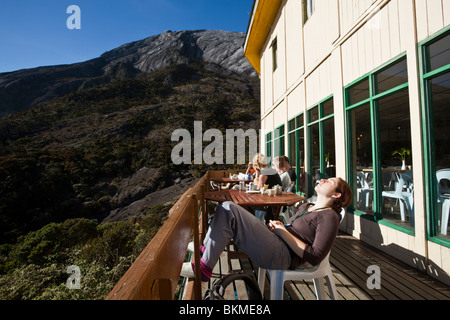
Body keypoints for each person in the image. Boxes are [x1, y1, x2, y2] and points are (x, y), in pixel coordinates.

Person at [181, 177, 353, 282]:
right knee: (225, 209)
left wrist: (283, 232)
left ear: (336, 195)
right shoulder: (307, 206)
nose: (322, 180)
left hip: (284, 255)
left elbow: (315, 256)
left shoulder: (329, 216)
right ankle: (206, 249)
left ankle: (204, 268)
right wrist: (278, 227)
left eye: (330, 181)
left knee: (228, 208)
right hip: (277, 241)